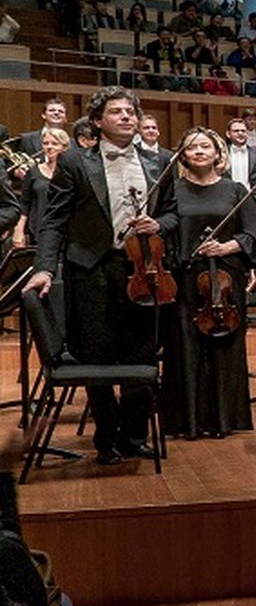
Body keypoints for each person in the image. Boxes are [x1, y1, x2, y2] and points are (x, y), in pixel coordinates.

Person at [22, 86, 172, 464]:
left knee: (142, 354)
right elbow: (53, 220)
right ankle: (107, 436)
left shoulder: (159, 163)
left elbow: (173, 213)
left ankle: (135, 435)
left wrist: (159, 223)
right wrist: (43, 268)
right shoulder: (75, 162)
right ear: (98, 120)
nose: (126, 117)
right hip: (89, 270)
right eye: (116, 112)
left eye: (131, 112)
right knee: (97, 357)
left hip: (141, 268)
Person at [163, 127, 256, 441]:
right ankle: (187, 421)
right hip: (185, 277)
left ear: (219, 153)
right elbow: (164, 232)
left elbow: (252, 233)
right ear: (183, 155)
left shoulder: (235, 189)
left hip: (225, 279)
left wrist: (227, 247)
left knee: (225, 346)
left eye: (206, 146)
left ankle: (224, 419)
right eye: (192, 147)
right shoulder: (172, 191)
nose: (199, 152)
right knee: (185, 347)